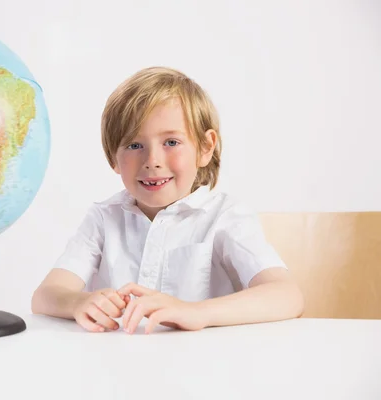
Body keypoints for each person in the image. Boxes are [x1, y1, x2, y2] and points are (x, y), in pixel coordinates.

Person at [31, 66, 304, 334]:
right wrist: (80, 302)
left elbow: (287, 295)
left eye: (171, 142)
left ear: (205, 147)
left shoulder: (225, 217)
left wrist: (196, 312)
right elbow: (45, 296)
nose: (152, 161)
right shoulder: (104, 218)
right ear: (114, 157)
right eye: (134, 145)